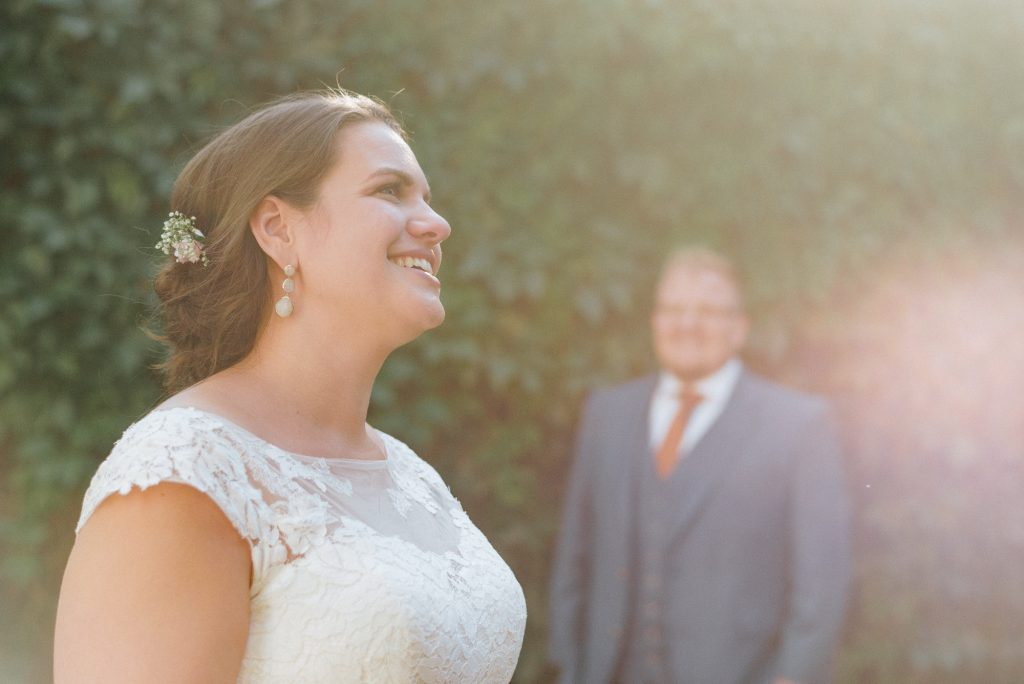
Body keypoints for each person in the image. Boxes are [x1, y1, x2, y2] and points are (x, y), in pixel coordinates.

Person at [54, 90, 526, 683]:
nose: (437, 224)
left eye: (427, 198)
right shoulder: (187, 472)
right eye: (389, 190)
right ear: (278, 229)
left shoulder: (412, 477)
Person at [548, 247, 850, 684]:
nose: (687, 324)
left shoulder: (799, 426)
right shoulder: (606, 414)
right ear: (655, 322)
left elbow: (820, 592)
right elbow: (573, 566)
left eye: (708, 311)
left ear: (739, 328)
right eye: (673, 309)